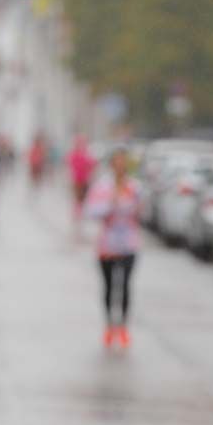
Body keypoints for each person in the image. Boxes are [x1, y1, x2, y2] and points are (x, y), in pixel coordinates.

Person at [85, 147, 142, 349]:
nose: (120, 166)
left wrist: (137, 207)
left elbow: (141, 211)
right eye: (116, 161)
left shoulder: (134, 187)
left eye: (123, 162)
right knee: (109, 287)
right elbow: (91, 211)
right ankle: (109, 325)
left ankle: (123, 327)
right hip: (107, 245)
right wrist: (110, 203)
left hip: (129, 244)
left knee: (125, 286)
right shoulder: (102, 186)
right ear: (112, 164)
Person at [67, 135, 96, 219]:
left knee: (83, 197)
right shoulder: (74, 154)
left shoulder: (86, 154)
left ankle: (80, 211)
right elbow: (70, 164)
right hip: (77, 179)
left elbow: (92, 164)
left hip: (84, 179)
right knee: (78, 197)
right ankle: (77, 212)